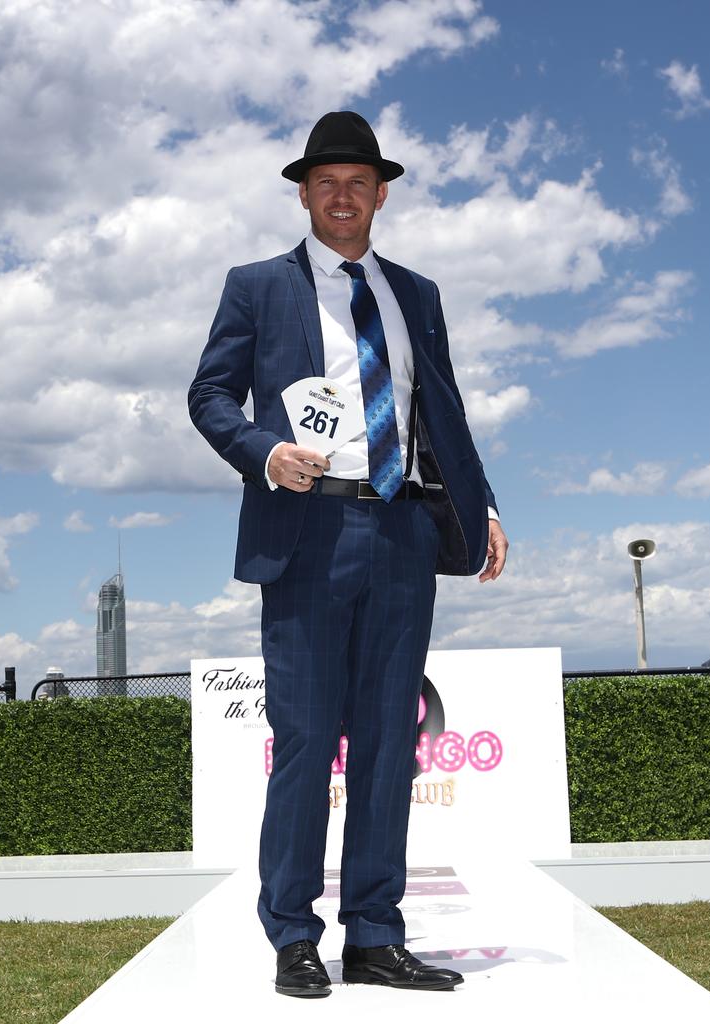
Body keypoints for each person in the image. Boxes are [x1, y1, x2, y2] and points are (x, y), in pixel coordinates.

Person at [188, 110, 509, 998]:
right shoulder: (257, 286)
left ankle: (373, 935)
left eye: (358, 183)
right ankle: (293, 935)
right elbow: (210, 393)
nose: (342, 195)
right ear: (303, 194)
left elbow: (442, 415)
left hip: (403, 531)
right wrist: (263, 451)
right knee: (302, 742)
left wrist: (483, 508)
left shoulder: (419, 294)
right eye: (326, 182)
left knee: (383, 748)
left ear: (381, 195)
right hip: (307, 532)